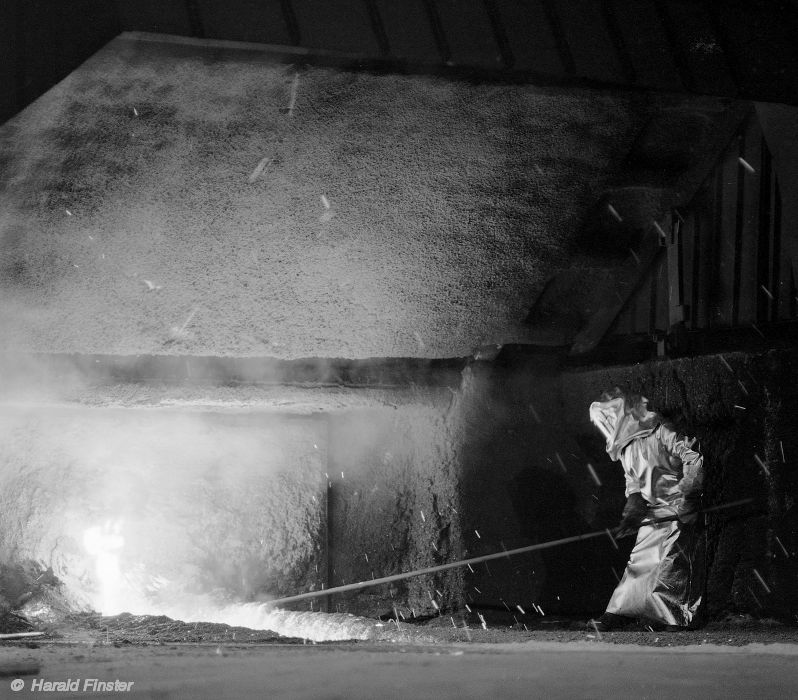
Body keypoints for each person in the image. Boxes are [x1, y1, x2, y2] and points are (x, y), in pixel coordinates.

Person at [588, 388, 705, 630]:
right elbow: (633, 481)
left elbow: (693, 457)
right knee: (639, 563)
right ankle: (619, 613)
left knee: (671, 563)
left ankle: (674, 617)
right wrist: (633, 508)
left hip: (678, 510)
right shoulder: (626, 447)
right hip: (652, 514)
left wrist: (689, 495)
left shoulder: (663, 432)